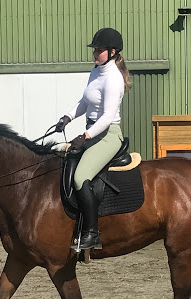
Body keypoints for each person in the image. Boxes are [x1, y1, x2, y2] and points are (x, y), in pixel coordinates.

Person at [55, 27, 132, 250]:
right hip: (93, 132)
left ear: (112, 51)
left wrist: (85, 135)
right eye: (95, 49)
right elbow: (84, 101)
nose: (95, 53)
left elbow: (108, 116)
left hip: (108, 136)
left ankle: (91, 233)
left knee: (80, 177)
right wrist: (67, 117)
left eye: (99, 50)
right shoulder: (96, 71)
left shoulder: (114, 78)